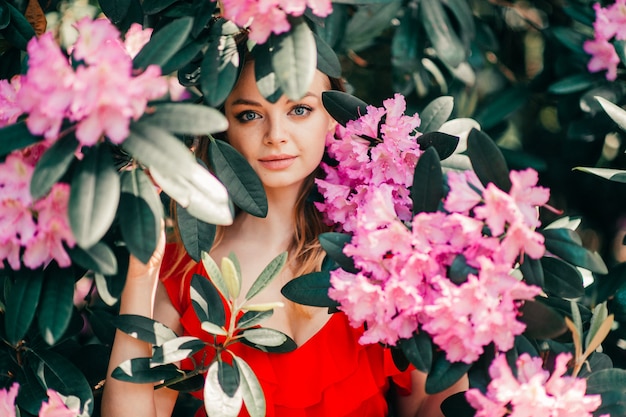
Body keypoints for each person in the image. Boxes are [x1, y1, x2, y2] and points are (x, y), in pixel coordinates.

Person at [101, 55, 468, 417]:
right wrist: (141, 272)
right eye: (250, 114)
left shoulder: (387, 251)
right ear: (222, 126)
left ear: (332, 119)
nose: (275, 136)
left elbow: (427, 404)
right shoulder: (185, 269)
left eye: (299, 110)